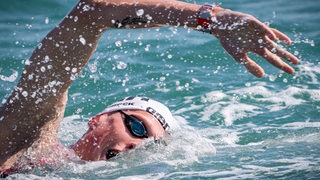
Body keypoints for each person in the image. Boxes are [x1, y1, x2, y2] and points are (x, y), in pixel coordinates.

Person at [0, 0, 299, 176]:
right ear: (99, 119)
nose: (137, 145)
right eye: (138, 128)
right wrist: (212, 19)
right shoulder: (26, 142)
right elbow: (90, 13)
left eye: (149, 144)